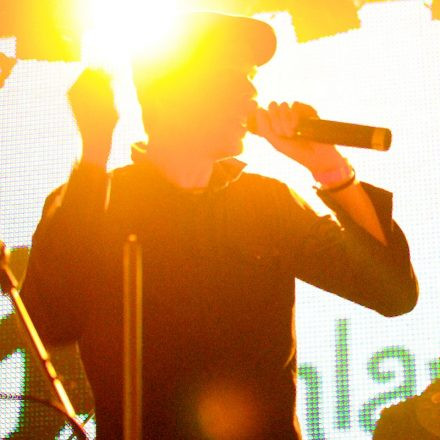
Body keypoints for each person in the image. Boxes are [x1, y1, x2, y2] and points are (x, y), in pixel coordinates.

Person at [20, 12, 418, 439]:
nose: (251, 91)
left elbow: (392, 293)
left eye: (250, 77)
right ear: (173, 93)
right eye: (231, 77)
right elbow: (51, 323)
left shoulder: (266, 203)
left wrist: (329, 167)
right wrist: (94, 153)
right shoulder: (97, 200)